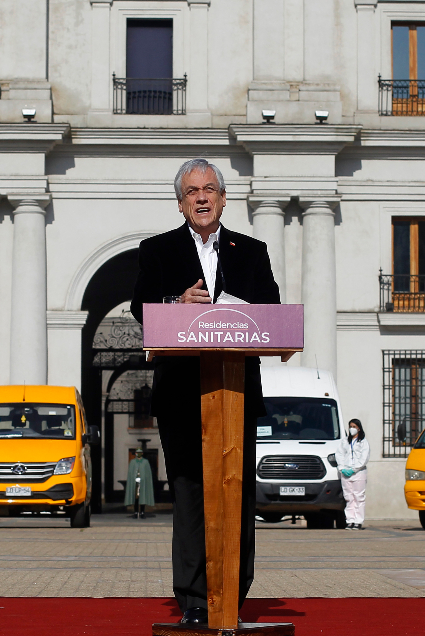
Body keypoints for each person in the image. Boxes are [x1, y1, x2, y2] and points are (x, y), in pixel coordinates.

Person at [131, 158, 280, 625]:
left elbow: (273, 309)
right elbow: (140, 309)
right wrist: (177, 305)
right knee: (191, 495)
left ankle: (233, 593)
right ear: (180, 203)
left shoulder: (251, 251)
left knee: (239, 496)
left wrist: (241, 311)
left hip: (235, 394)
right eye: (193, 190)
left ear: (222, 198)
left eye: (210, 188)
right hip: (180, 396)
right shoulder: (156, 250)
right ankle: (195, 600)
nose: (202, 196)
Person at [336, 419, 369, 530]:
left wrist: (354, 469)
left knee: (358, 497)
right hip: (346, 473)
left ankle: (358, 521)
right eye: (350, 426)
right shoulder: (345, 441)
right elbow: (339, 454)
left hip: (359, 473)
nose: (352, 428)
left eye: (354, 426)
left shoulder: (363, 442)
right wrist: (342, 468)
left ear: (359, 428)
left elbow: (364, 458)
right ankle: (350, 520)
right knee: (349, 498)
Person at [125, 448, 156, 519]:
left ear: (142, 453)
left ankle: (142, 512)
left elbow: (148, 473)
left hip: (143, 482)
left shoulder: (145, 462)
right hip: (135, 482)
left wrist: (144, 478)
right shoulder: (132, 462)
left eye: (140, 452)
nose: (138, 454)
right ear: (135, 453)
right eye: (137, 452)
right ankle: (136, 512)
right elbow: (130, 473)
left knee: (143, 497)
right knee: (136, 498)